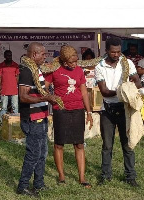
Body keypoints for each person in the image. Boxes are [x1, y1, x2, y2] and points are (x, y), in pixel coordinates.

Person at [95, 36, 142, 187]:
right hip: (108, 110)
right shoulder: (99, 67)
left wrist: (133, 88)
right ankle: (105, 175)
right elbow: (104, 91)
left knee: (128, 144)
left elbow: (137, 80)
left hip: (124, 109)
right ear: (107, 51)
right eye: (113, 52)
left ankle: (130, 176)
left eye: (118, 51)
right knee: (107, 146)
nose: (116, 55)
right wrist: (122, 90)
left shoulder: (127, 63)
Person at [44, 45, 93, 188]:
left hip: (77, 110)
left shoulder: (79, 71)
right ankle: (61, 175)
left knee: (79, 144)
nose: (75, 64)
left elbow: (84, 92)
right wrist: (50, 96)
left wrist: (89, 112)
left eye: (76, 61)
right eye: (72, 62)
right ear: (64, 61)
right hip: (60, 110)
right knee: (59, 144)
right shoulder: (54, 69)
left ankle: (82, 178)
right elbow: (45, 86)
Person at [17, 42, 57, 197]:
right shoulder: (27, 70)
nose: (45, 57)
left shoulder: (37, 70)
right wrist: (45, 97)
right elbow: (23, 96)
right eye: (43, 54)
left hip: (41, 116)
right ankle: (23, 186)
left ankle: (39, 184)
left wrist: (48, 98)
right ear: (34, 54)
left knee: (42, 153)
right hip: (32, 118)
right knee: (33, 153)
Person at [0, 50, 19, 123]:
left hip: (14, 89)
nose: (9, 57)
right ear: (4, 56)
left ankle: (15, 122)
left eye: (10, 55)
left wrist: (17, 86)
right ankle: (2, 122)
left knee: (15, 107)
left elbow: (17, 77)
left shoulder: (15, 65)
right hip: (4, 89)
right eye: (7, 55)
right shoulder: (1, 65)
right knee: (3, 108)